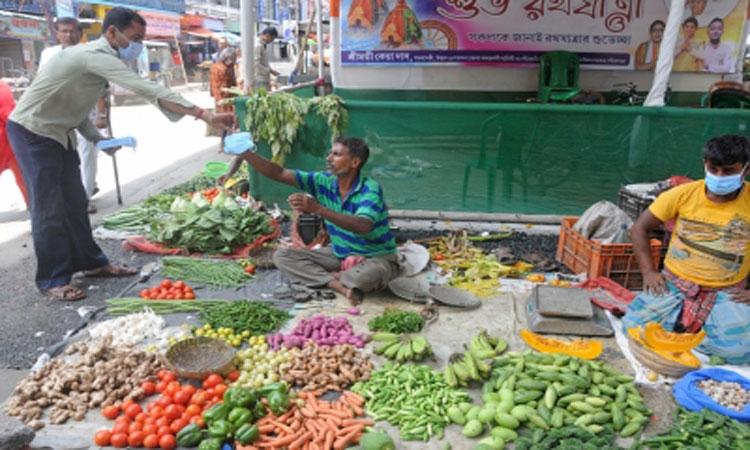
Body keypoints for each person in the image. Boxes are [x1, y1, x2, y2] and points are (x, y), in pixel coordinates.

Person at [6, 7, 234, 302]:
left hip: (59, 132)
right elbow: (145, 87)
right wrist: (204, 114)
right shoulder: (94, 56)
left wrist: (96, 138)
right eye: (135, 38)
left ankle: (90, 263)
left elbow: (74, 105)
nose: (137, 45)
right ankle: (52, 279)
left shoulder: (99, 60)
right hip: (33, 131)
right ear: (112, 32)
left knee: (75, 202)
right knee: (49, 209)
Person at [624, 135, 750, 364]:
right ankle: (696, 332)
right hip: (674, 282)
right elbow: (639, 229)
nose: (720, 176)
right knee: (633, 327)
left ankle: (693, 333)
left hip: (727, 291)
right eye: (714, 169)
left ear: (745, 169)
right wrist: (649, 273)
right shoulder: (683, 194)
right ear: (705, 165)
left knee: (741, 351)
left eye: (729, 171)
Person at [234, 137, 399, 304]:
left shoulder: (369, 189)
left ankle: (333, 278)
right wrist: (246, 153)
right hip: (340, 253)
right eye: (330, 153)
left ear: (355, 162)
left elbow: (363, 225)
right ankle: (339, 285)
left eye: (336, 154)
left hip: (376, 256)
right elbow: (279, 173)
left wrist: (318, 209)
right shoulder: (323, 181)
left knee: (361, 278)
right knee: (282, 256)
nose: (329, 158)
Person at [39, 17, 107, 213]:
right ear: (57, 33)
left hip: (84, 111)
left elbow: (101, 88)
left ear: (80, 33)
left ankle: (85, 198)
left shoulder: (89, 54)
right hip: (56, 115)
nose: (68, 35)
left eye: (72, 31)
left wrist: (101, 115)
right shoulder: (48, 54)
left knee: (87, 155)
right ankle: (69, 195)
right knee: (64, 156)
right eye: (63, 31)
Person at [0, 81, 28, 207]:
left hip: (6, 141)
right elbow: (8, 116)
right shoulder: (2, 89)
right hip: (8, 142)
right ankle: (32, 203)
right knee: (24, 176)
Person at [210, 47, 237, 147]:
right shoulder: (220, 68)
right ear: (227, 57)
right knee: (226, 120)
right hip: (223, 98)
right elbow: (220, 86)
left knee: (227, 120)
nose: (234, 60)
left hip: (224, 97)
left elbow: (232, 82)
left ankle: (226, 141)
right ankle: (224, 142)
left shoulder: (227, 67)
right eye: (233, 58)